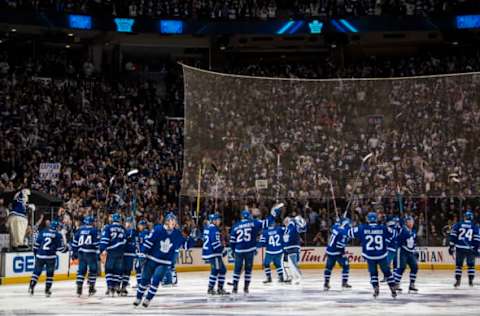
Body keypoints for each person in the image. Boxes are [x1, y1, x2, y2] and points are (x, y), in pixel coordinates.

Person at [134, 213, 191, 308]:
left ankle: (148, 298)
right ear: (167, 221)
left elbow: (186, 246)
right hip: (152, 259)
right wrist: (143, 253)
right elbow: (149, 242)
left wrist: (189, 236)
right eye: (172, 221)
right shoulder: (158, 229)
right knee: (144, 280)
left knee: (156, 281)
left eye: (175, 221)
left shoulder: (177, 233)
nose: (174, 223)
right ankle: (138, 297)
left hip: (164, 262)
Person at [348, 212, 397, 298]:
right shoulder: (383, 228)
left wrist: (341, 225)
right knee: (387, 272)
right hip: (381, 255)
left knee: (373, 273)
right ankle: (392, 288)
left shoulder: (362, 228)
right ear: (376, 219)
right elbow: (394, 234)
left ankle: (376, 289)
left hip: (370, 256)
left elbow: (349, 233)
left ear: (368, 219)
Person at [230, 206, 278, 294]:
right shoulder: (254, 223)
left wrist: (233, 251)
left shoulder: (235, 226)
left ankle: (235, 288)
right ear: (249, 216)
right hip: (249, 250)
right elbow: (267, 223)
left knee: (237, 269)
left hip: (239, 251)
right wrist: (273, 214)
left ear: (241, 217)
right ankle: (246, 288)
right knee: (248, 270)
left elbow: (232, 241)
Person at [28, 220, 66, 297]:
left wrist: (36, 255)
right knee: (49, 274)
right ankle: (47, 290)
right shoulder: (58, 235)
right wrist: (68, 248)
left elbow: (36, 246)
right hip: (50, 257)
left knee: (37, 272)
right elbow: (61, 249)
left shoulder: (43, 232)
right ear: (56, 227)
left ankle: (31, 286)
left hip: (40, 256)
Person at [449, 210, 480, 288]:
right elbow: (477, 239)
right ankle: (471, 281)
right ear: (471, 217)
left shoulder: (458, 224)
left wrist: (451, 246)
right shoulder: (474, 226)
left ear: (465, 217)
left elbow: (453, 236)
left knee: (459, 266)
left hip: (459, 248)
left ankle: (458, 281)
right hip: (470, 249)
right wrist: (476, 248)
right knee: (471, 266)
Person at [72, 215, 99, 297]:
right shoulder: (94, 230)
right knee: (93, 270)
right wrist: (98, 252)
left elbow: (74, 243)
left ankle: (79, 289)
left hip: (81, 253)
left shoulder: (79, 230)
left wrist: (74, 253)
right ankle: (91, 288)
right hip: (91, 253)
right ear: (92, 222)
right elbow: (96, 243)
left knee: (81, 271)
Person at [99, 213, 126, 296]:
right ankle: (116, 286)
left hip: (111, 251)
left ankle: (110, 286)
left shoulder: (108, 227)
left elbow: (104, 239)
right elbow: (125, 241)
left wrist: (102, 249)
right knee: (117, 270)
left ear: (112, 219)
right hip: (120, 252)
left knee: (109, 269)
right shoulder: (123, 229)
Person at [202, 213, 229, 295]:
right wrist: (223, 250)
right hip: (214, 253)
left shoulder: (207, 228)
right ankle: (211, 288)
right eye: (218, 219)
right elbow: (215, 244)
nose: (219, 221)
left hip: (209, 252)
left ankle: (219, 288)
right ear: (213, 221)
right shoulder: (214, 230)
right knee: (215, 270)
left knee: (222, 270)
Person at [324, 217, 351, 291]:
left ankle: (326, 283)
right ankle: (344, 282)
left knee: (328, 268)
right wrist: (347, 240)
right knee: (346, 265)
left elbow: (334, 226)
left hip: (329, 251)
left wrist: (338, 221)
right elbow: (340, 245)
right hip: (337, 252)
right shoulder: (343, 232)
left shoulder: (335, 227)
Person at [393, 215, 419, 293]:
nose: (411, 223)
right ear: (406, 222)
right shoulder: (402, 229)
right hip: (402, 251)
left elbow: (413, 242)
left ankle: (412, 285)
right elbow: (400, 235)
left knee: (415, 267)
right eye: (409, 221)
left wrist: (415, 250)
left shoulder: (413, 231)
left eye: (412, 221)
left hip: (410, 252)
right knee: (401, 267)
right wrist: (399, 223)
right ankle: (396, 284)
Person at [258, 219, 285, 284]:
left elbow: (262, 242)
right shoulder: (279, 229)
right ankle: (281, 277)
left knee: (266, 264)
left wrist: (256, 246)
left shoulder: (265, 232)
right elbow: (286, 230)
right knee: (278, 264)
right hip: (279, 250)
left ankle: (269, 278)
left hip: (270, 251)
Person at [283, 215, 307, 285]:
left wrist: (298, 220)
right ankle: (291, 277)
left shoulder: (293, 223)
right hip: (290, 247)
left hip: (292, 246)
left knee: (293, 263)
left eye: (286, 221)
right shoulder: (287, 227)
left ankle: (298, 277)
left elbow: (303, 228)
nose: (285, 222)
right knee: (292, 263)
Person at [120, 216, 137, 295]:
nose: (128, 224)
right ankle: (119, 286)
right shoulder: (124, 231)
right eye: (127, 222)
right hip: (124, 254)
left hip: (129, 254)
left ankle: (123, 287)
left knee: (127, 271)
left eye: (130, 222)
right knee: (122, 271)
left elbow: (129, 238)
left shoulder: (132, 231)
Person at [134, 219, 149, 287]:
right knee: (139, 268)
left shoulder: (145, 233)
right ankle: (142, 282)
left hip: (143, 254)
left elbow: (146, 244)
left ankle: (143, 282)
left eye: (140, 225)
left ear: (143, 226)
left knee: (140, 268)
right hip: (141, 254)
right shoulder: (142, 233)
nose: (139, 226)